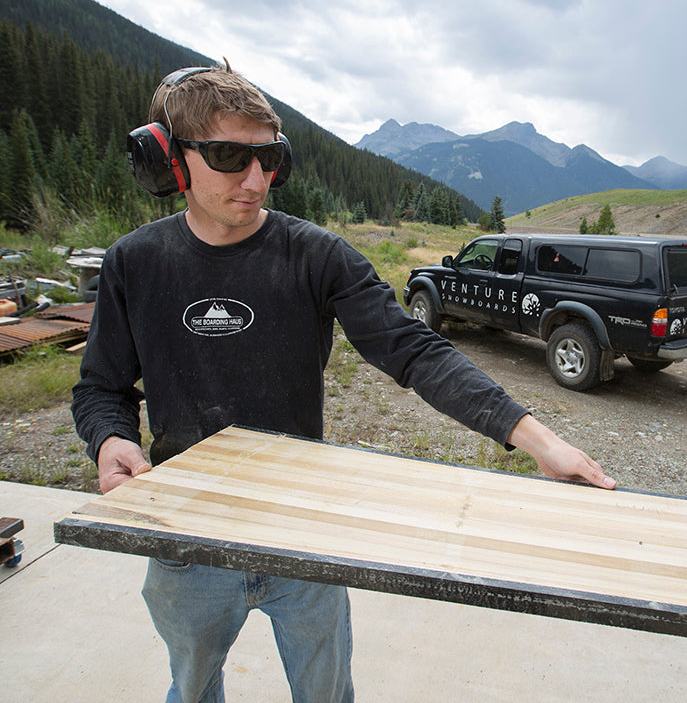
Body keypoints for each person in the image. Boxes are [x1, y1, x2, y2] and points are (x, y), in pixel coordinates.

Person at [71, 62, 616, 703]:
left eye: (269, 158)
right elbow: (100, 388)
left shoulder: (317, 255)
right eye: (227, 156)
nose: (256, 179)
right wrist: (111, 440)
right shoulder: (133, 262)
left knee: (327, 693)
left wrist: (535, 438)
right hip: (187, 537)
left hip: (303, 530)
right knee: (190, 689)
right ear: (170, 161)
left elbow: (412, 349)